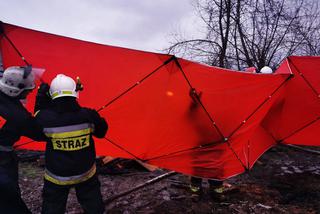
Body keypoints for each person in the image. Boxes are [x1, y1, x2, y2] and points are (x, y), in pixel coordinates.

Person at [35, 74, 108, 214]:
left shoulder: (44, 118)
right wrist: (98, 119)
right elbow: (101, 133)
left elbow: (37, 128)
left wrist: (41, 99)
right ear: (75, 92)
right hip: (85, 173)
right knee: (94, 206)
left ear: (52, 96)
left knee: (52, 207)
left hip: (56, 177)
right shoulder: (88, 115)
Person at [0, 66, 48, 213]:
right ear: (16, 90)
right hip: (2, 159)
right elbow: (40, 133)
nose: (31, 91)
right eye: (29, 89)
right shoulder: (17, 116)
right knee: (8, 199)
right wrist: (42, 103)